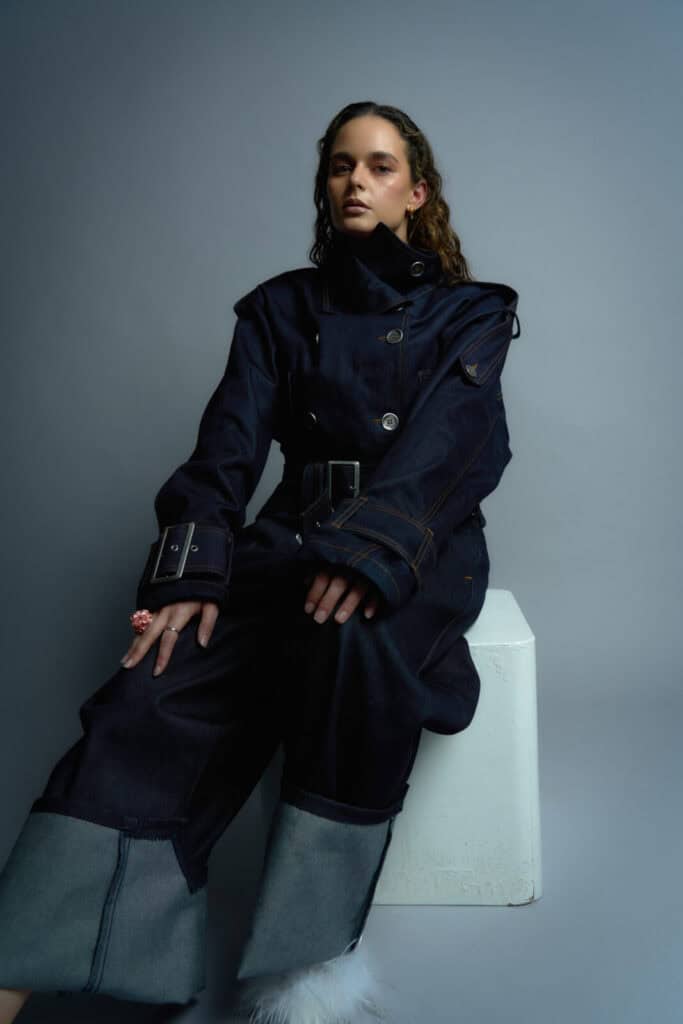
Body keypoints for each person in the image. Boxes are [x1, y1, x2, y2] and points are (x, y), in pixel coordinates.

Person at [0, 100, 520, 1024]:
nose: (356, 180)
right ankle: (20, 966)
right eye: (340, 165)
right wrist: (190, 575)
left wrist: (368, 554)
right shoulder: (280, 307)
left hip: (419, 545)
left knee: (354, 656)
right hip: (287, 540)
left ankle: (301, 967)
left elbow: (454, 447)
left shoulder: (469, 312)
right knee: (153, 688)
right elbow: (226, 448)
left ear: (416, 191)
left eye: (379, 165)